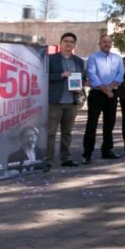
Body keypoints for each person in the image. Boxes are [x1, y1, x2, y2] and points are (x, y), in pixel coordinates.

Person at [83, 34, 125, 163]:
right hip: (97, 94)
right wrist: (105, 90)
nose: (107, 44)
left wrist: (111, 87)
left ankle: (107, 150)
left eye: (109, 42)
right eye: (104, 42)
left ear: (111, 44)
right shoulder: (93, 58)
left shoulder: (117, 58)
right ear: (99, 43)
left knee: (109, 123)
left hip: (112, 95)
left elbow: (120, 74)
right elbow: (92, 74)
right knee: (92, 124)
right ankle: (87, 154)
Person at [47, 32, 86, 168]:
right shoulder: (51, 59)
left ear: (74, 45)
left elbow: (83, 78)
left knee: (67, 133)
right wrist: (60, 75)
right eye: (65, 41)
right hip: (54, 102)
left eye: (71, 42)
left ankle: (66, 158)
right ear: (60, 43)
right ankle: (48, 161)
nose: (68, 44)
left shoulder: (78, 61)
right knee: (50, 133)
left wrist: (80, 87)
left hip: (72, 102)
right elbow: (43, 76)